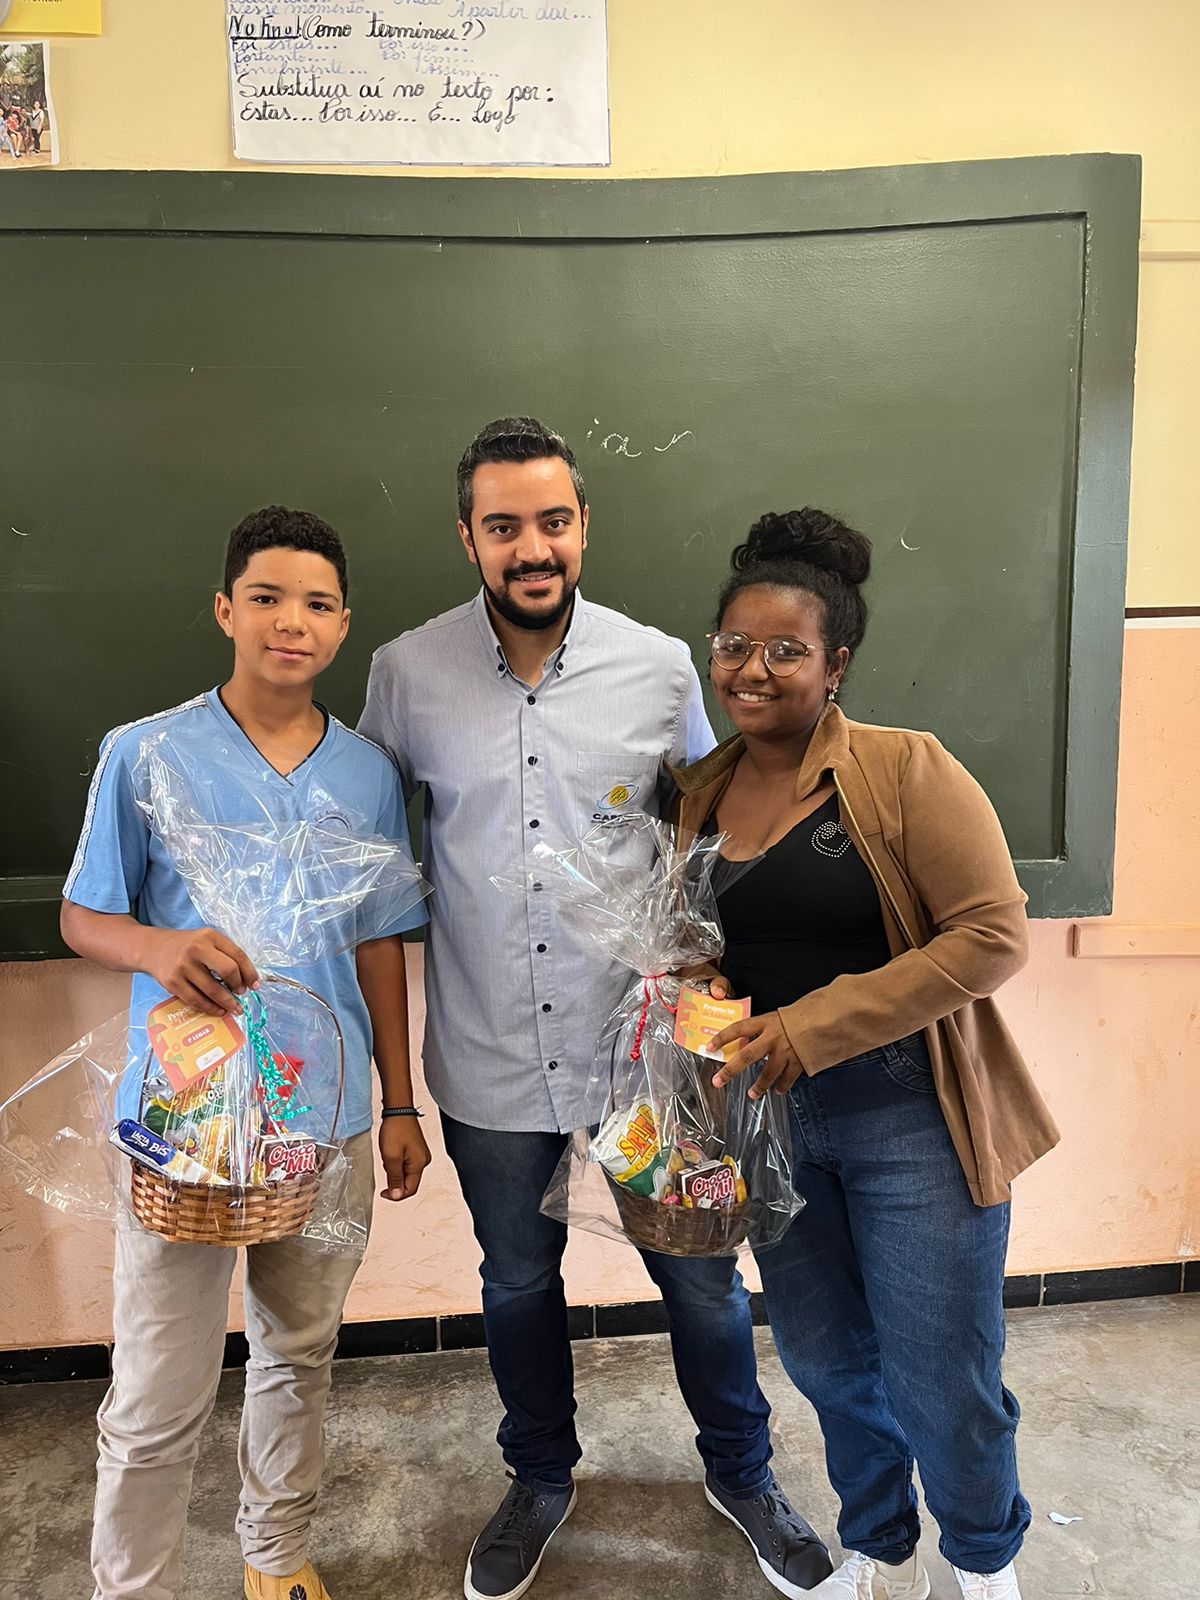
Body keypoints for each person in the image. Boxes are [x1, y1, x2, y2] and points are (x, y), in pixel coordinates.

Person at [359, 418, 833, 1600]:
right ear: (467, 536)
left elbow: (714, 834)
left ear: (583, 527)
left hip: (645, 1060)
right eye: (504, 525)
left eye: (553, 521)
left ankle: (743, 1472)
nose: (533, 547)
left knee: (701, 1278)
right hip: (486, 1056)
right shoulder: (405, 674)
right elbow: (362, 864)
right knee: (518, 1278)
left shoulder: (660, 666)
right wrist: (388, 1090)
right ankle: (538, 1477)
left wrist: (720, 998)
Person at [670, 510, 1061, 1600]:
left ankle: (984, 1563)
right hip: (769, 1122)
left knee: (943, 1374)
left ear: (835, 664)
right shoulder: (697, 791)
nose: (751, 670)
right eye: (733, 645)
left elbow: (992, 936)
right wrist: (698, 993)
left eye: (785, 649)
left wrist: (813, 1026)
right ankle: (881, 1549)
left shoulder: (904, 769)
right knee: (828, 1360)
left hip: (909, 1114)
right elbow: (694, 943)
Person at [61, 506, 432, 1600]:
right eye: (267, 597)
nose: (291, 622)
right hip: (183, 1120)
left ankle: (276, 1554)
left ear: (344, 625)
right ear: (226, 609)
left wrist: (398, 1103)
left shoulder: (367, 772)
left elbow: (378, 943)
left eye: (318, 604)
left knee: (299, 1351)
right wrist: (157, 946)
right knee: (157, 1381)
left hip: (325, 1117)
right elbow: (83, 914)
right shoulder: (144, 753)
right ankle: (133, 1584)